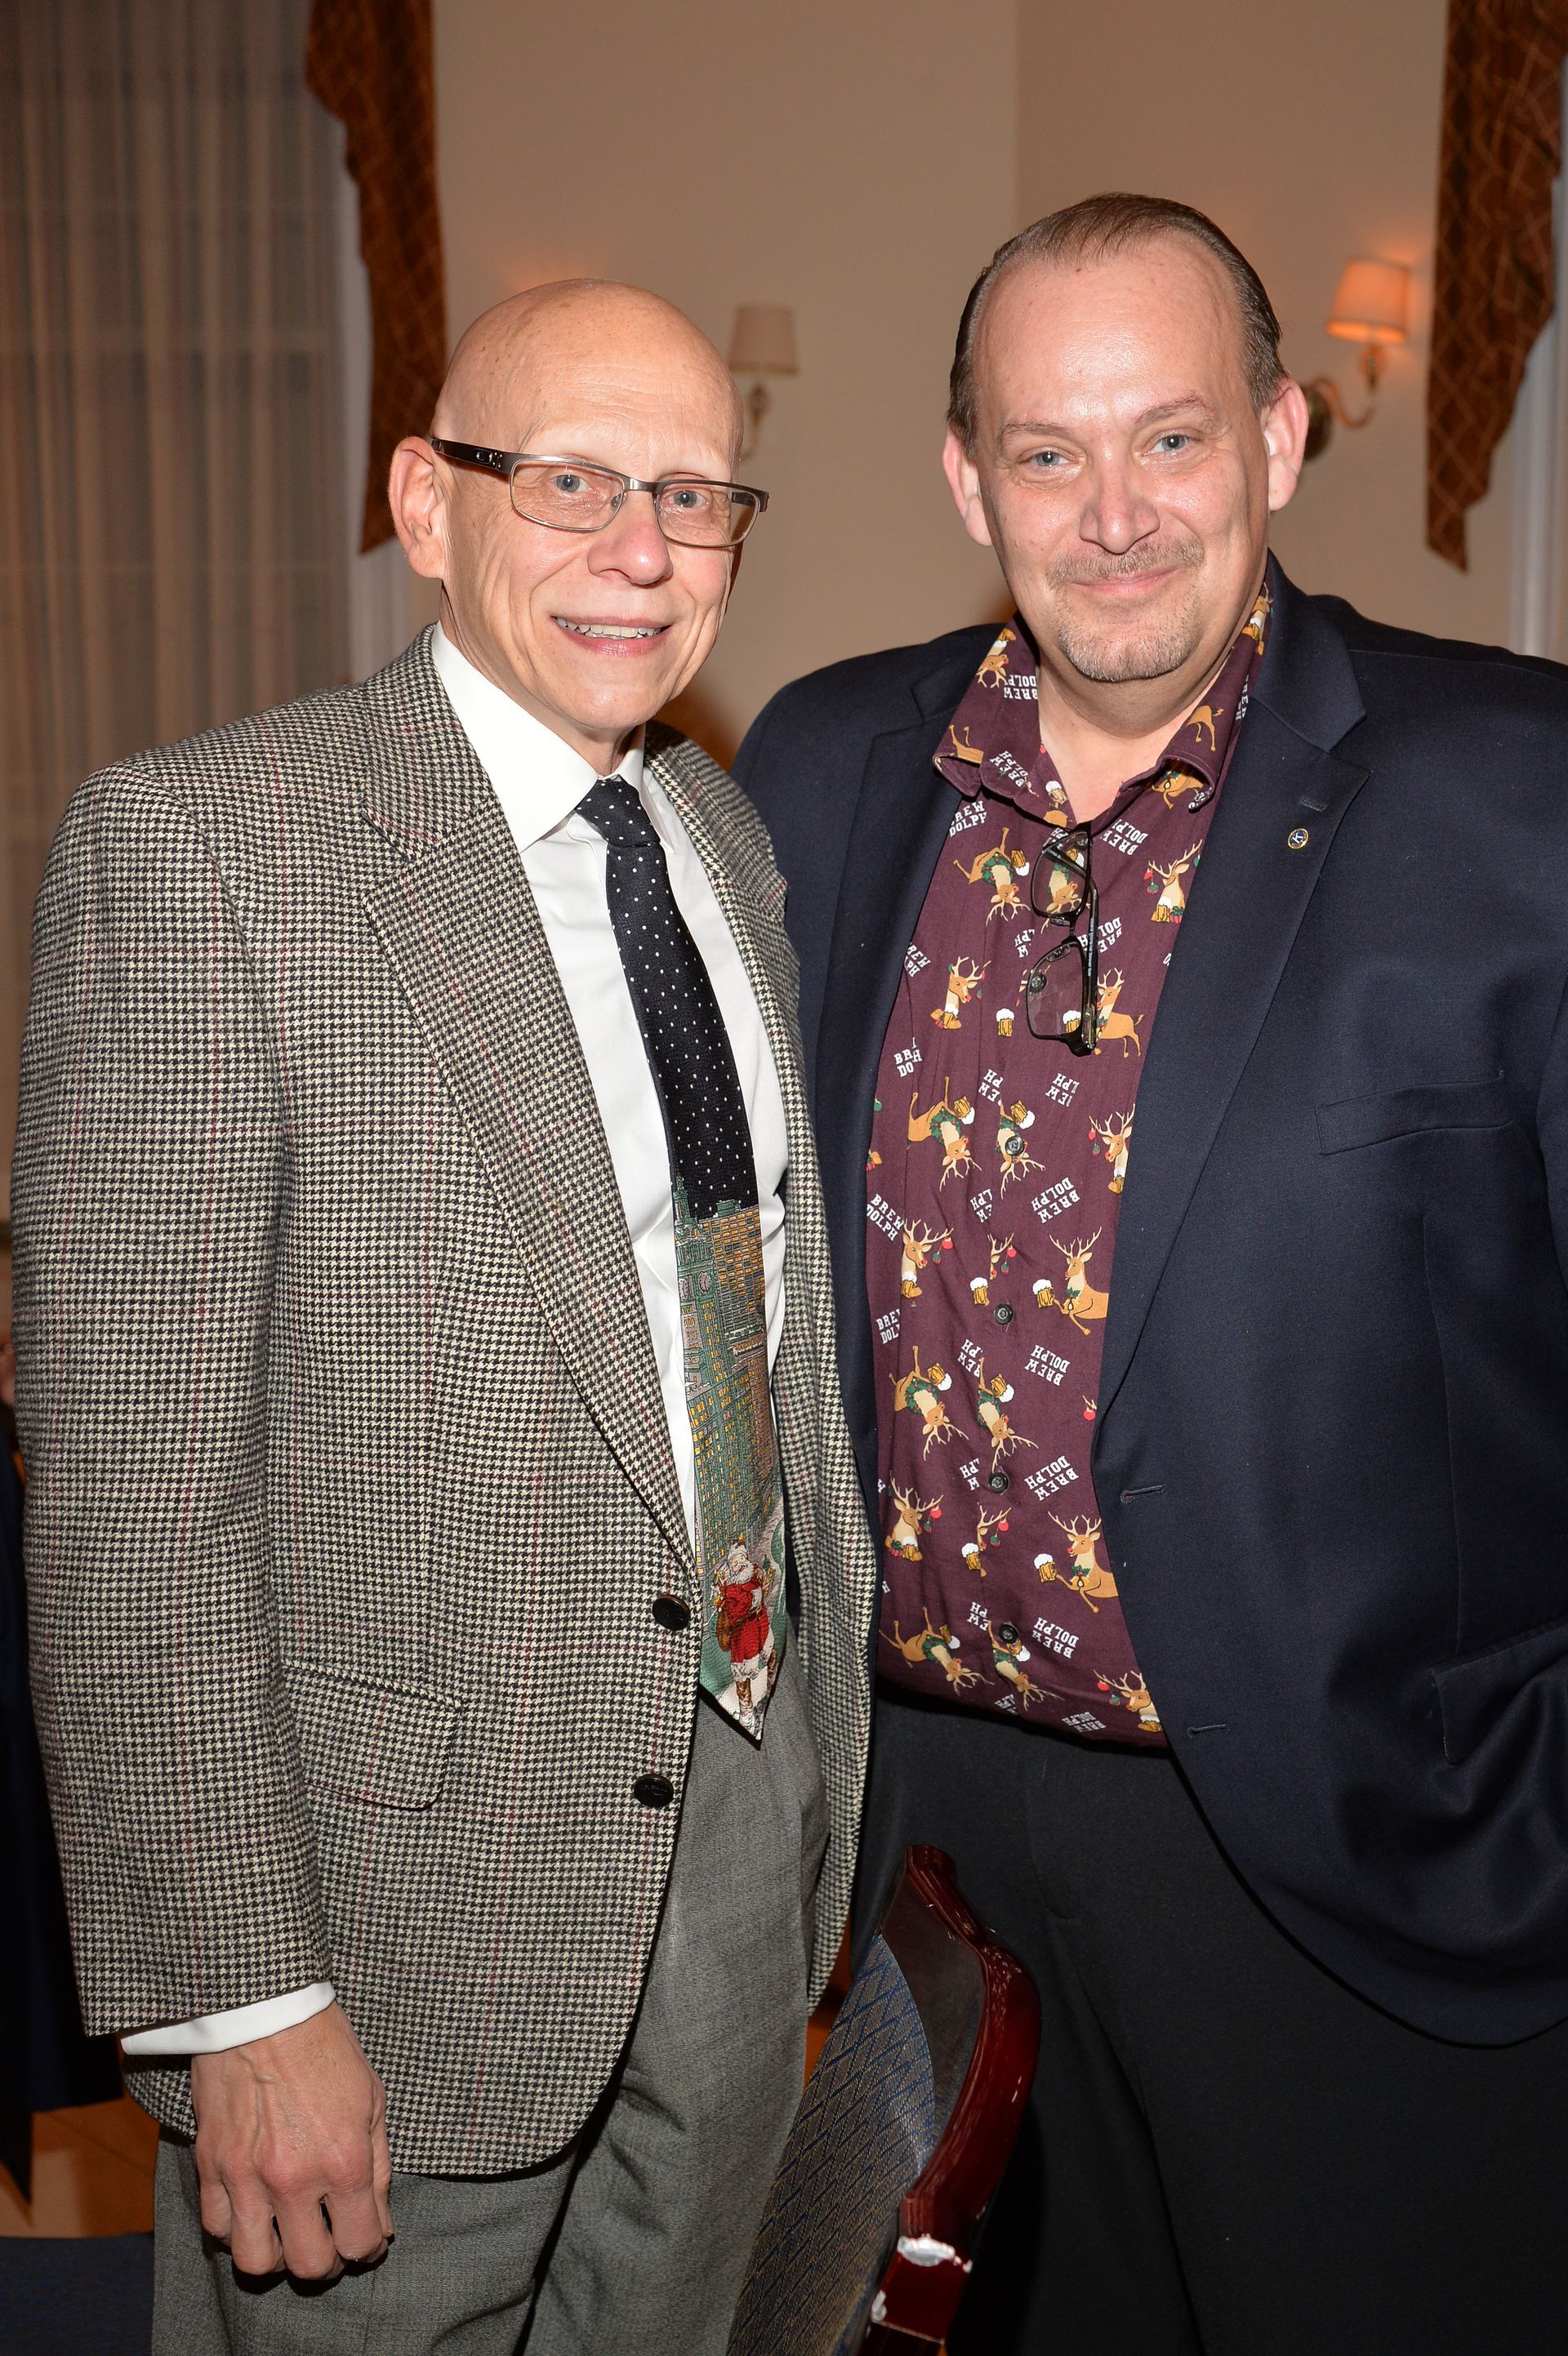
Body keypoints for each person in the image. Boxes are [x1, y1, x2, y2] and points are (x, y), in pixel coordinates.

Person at [735, 194, 1568, 2356]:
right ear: (962, 477)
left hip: (1367, 1856)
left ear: (1284, 439)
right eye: (1047, 452)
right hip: (935, 1849)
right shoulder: (827, 768)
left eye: (1173, 440)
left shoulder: (1518, 792)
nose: (1113, 518)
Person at [12, 279, 875, 2355]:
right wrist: (249, 1999)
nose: (640, 548)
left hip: (745, 1850)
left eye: (693, 494)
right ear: (425, 498)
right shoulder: (207, 849)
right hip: (395, 1926)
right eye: (569, 480)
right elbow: (132, 1498)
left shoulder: (719, 840)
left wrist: (816, 1800)